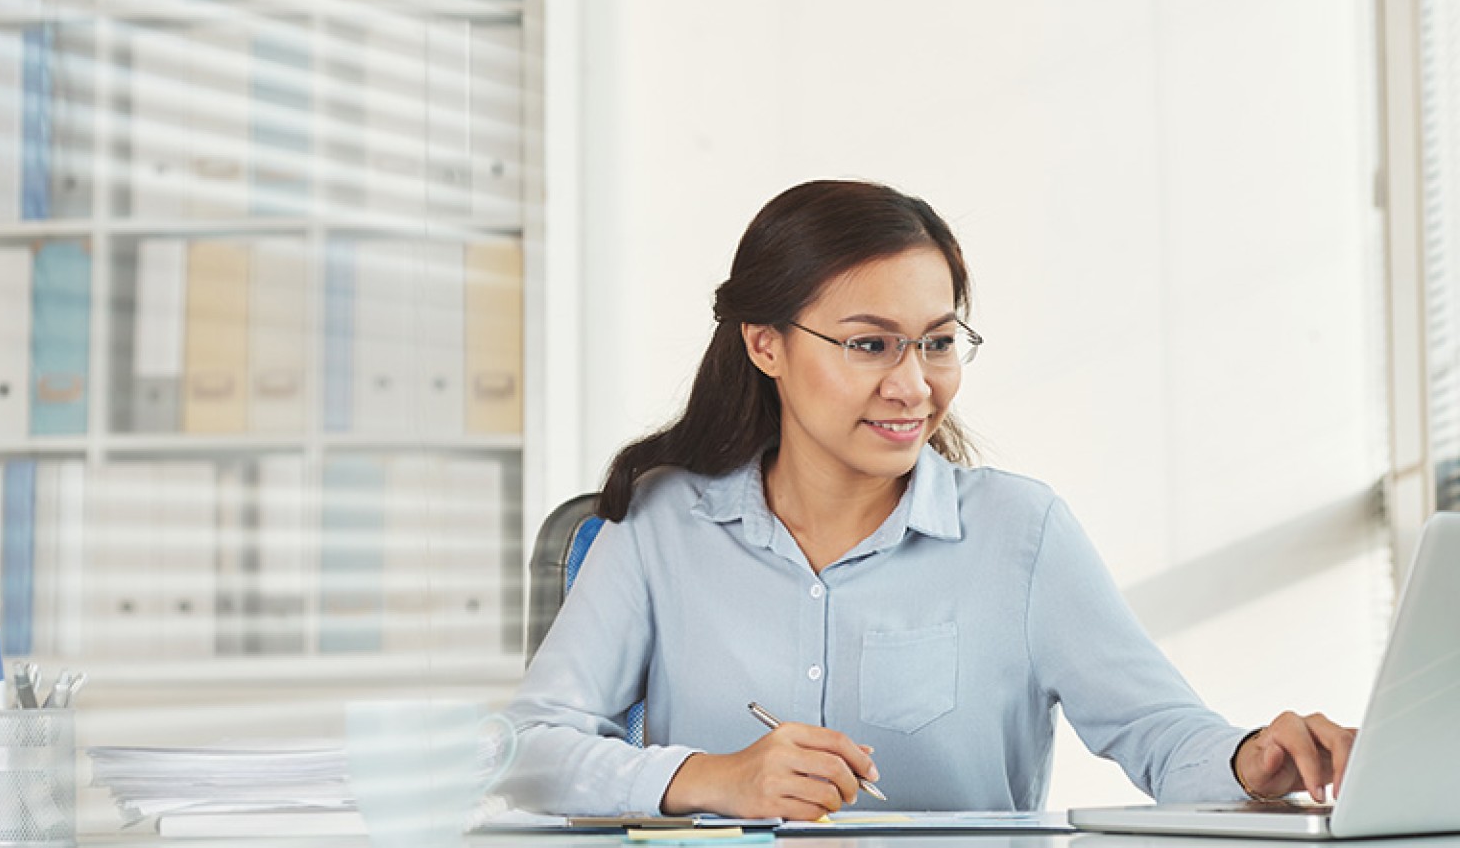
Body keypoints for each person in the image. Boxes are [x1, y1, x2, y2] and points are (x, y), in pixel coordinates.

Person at [498, 179, 1355, 820]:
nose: (912, 385)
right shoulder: (661, 524)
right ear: (765, 344)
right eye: (870, 343)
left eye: (938, 342)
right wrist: (715, 776)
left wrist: (1252, 760)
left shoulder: (1021, 533)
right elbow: (529, 751)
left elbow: (1165, 738)